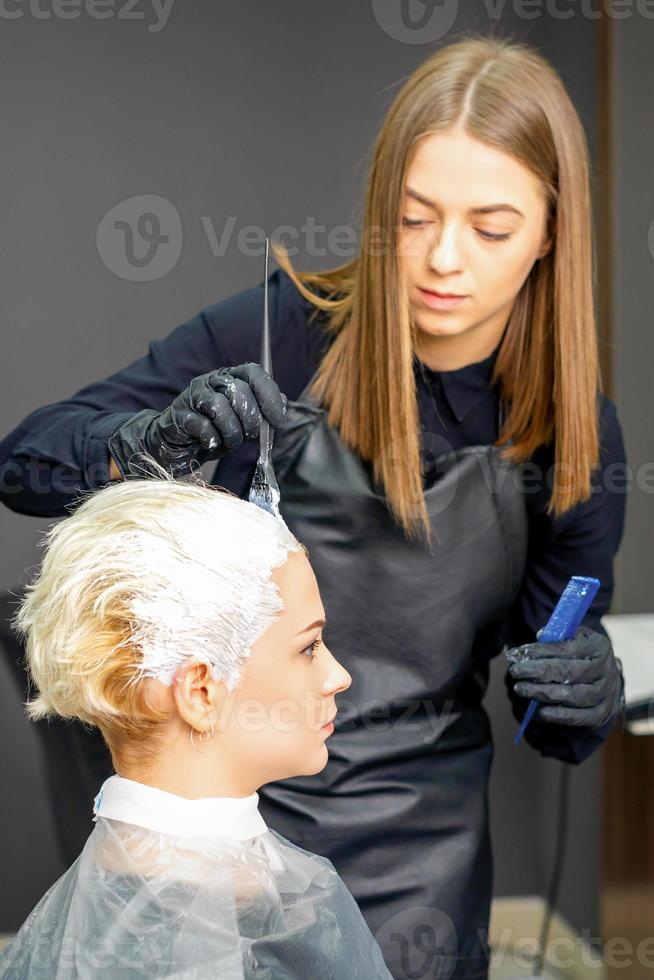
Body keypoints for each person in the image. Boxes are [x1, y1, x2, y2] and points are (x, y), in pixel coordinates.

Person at [0, 36, 628, 980]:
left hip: (426, 843)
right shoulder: (286, 335)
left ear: (550, 231)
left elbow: (551, 712)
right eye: (415, 219)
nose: (443, 260)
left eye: (491, 228)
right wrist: (142, 447)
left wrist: (587, 693)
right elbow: (23, 461)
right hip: (240, 825)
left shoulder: (572, 436)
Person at [0, 470, 392, 979]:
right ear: (201, 692)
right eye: (309, 647)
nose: (338, 676)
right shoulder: (207, 924)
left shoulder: (94, 912)